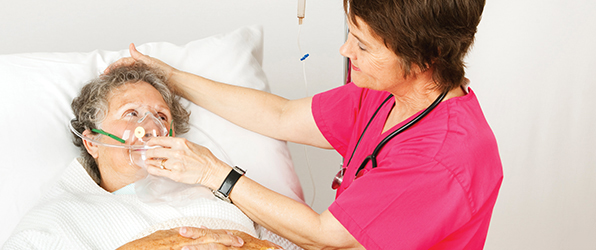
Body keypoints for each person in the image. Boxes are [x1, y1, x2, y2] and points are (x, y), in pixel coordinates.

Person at [107, 0, 503, 249]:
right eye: (351, 34)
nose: (345, 51)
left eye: (363, 45)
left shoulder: (443, 157)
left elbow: (326, 236)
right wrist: (170, 76)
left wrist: (213, 173)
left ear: (425, 56)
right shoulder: (389, 91)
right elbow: (279, 116)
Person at [2, 62, 285, 250]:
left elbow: (308, 240)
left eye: (161, 116)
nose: (151, 127)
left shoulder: (220, 194)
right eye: (131, 114)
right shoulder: (62, 216)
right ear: (92, 143)